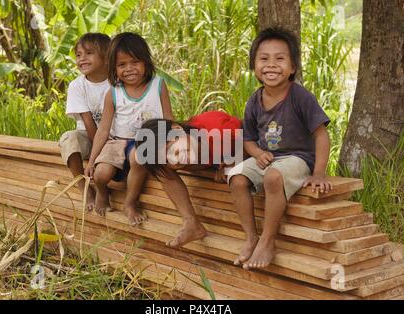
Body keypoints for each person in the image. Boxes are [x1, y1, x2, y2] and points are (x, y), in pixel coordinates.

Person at [227, 27, 333, 270]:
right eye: (264, 59)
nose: (271, 65)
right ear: (254, 65)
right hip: (269, 158)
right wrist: (256, 154)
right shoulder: (254, 100)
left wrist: (319, 173)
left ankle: (267, 240)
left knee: (274, 177)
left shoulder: (300, 97)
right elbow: (249, 139)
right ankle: (251, 236)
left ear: (293, 67)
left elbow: (321, 135)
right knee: (237, 178)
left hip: (298, 159)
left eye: (280, 58)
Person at [84, 32, 173, 223]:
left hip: (147, 141)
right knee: (101, 174)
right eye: (122, 65)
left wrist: (171, 144)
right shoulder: (113, 93)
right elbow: (104, 130)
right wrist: (92, 161)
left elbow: (168, 118)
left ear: (145, 63)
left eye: (135, 62)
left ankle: (130, 203)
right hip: (117, 142)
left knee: (139, 157)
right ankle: (101, 191)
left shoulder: (158, 85)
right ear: (113, 68)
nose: (129, 69)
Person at [135, 110, 243, 248]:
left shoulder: (217, 129)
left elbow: (251, 136)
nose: (174, 160)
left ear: (177, 129)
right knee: (160, 168)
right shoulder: (178, 157)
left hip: (244, 148)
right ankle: (190, 222)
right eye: (166, 159)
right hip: (213, 155)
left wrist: (234, 160)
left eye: (170, 149)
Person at [59, 32, 111, 211]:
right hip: (88, 135)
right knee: (69, 139)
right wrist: (96, 154)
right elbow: (88, 121)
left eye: (89, 53)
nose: (82, 59)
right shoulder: (77, 85)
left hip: (115, 135)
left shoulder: (116, 82)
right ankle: (84, 187)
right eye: (78, 55)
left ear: (106, 57)